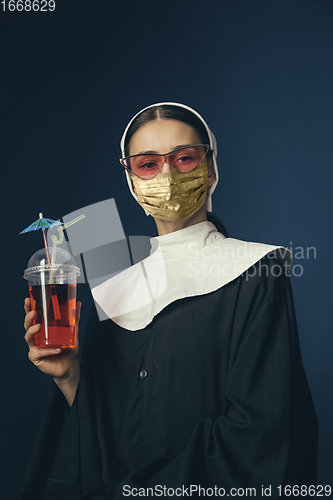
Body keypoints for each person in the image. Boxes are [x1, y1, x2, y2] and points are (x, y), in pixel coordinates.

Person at [21, 103, 318, 499]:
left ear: (210, 169)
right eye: (147, 164)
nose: (166, 175)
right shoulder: (114, 283)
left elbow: (262, 435)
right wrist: (69, 376)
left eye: (183, 159)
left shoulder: (257, 270)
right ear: (131, 179)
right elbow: (105, 441)